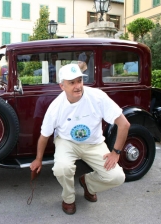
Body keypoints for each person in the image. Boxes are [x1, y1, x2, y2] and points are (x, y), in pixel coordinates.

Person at [30, 64, 130, 215]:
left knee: (117, 177)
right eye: (72, 83)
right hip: (67, 142)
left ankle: (88, 184)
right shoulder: (56, 106)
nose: (78, 86)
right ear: (62, 86)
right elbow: (44, 136)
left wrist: (115, 152)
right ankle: (68, 199)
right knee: (61, 168)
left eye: (79, 81)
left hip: (94, 143)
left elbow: (124, 124)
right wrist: (38, 159)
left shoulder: (97, 97)